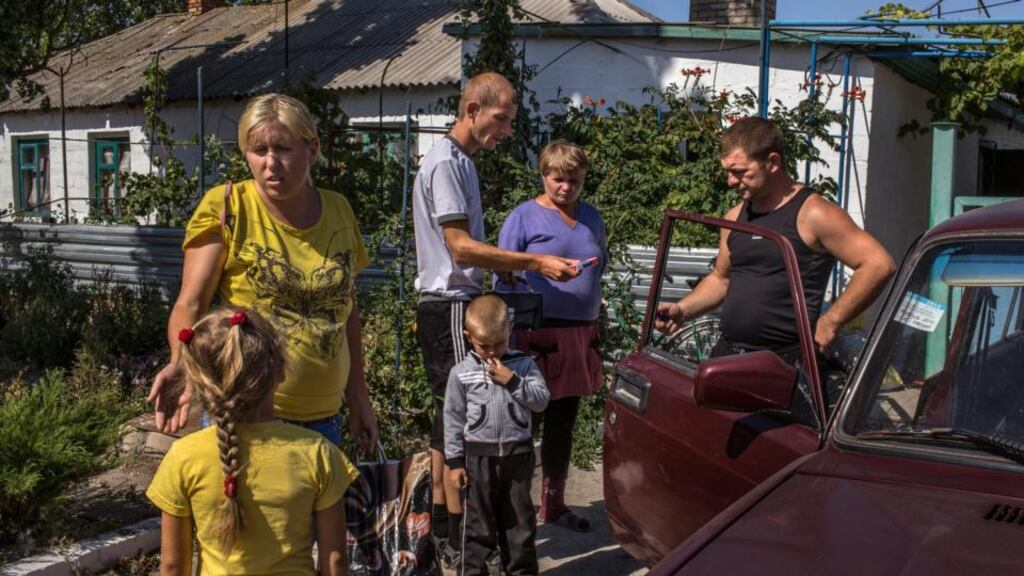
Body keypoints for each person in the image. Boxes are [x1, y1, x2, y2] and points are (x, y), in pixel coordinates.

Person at [148, 93, 378, 452]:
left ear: (312, 149)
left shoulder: (339, 210)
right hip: (248, 416)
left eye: (283, 148)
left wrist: (359, 397)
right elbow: (191, 302)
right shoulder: (227, 207)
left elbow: (346, 309)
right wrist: (180, 364)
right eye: (258, 150)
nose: (271, 163)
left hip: (324, 419)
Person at [412, 71, 578, 565]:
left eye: (509, 120)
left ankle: (445, 531)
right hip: (449, 306)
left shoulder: (461, 160)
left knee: (449, 425)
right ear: (471, 112)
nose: (506, 130)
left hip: (453, 303)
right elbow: (460, 249)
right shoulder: (446, 163)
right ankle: (464, 539)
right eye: (501, 119)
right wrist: (534, 262)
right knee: (468, 423)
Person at [657, 116, 896, 363]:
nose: (730, 182)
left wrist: (832, 320)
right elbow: (721, 279)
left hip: (785, 363)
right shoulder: (735, 216)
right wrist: (683, 309)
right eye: (728, 172)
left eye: (739, 172)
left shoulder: (813, 213)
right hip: (728, 356)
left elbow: (878, 264)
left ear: (772, 162)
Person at [146, 308, 358, 576]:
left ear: (198, 379)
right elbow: (335, 562)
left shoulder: (183, 456)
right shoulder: (317, 452)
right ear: (280, 370)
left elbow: (174, 566)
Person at [495, 140, 605, 532]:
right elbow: (503, 273)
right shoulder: (523, 218)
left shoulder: (592, 217)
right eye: (557, 179)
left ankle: (553, 504)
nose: (565, 188)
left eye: (574, 180)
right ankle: (513, 507)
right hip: (535, 335)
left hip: (578, 334)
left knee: (563, 420)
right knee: (526, 421)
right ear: (543, 176)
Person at [444, 295, 550, 576]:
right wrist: (454, 462)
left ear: (510, 331)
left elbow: (541, 400)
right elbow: (452, 419)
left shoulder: (525, 366)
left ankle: (520, 571)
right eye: (484, 346)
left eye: (499, 344)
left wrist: (513, 381)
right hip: (478, 459)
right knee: (477, 524)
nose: (492, 353)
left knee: (518, 523)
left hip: (517, 456)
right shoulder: (460, 374)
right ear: (468, 337)